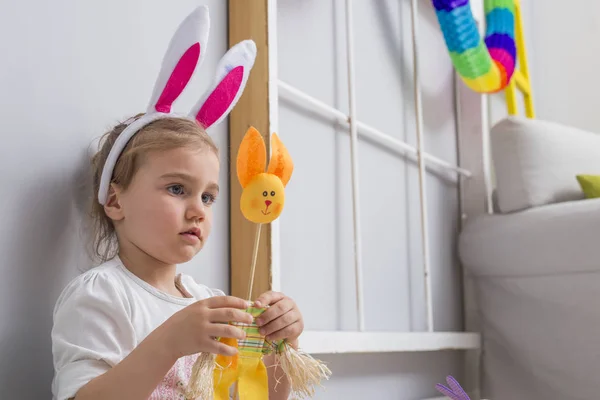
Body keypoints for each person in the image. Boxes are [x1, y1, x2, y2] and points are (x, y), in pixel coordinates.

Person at [51, 6, 304, 400]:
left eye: (208, 196)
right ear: (115, 201)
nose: (199, 209)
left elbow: (259, 396)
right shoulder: (103, 294)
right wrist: (169, 342)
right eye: (176, 189)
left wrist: (279, 345)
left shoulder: (206, 301)